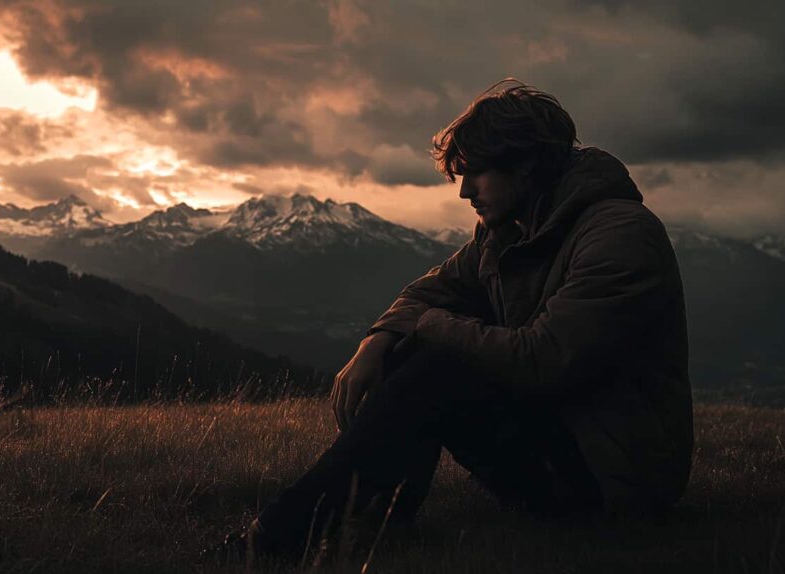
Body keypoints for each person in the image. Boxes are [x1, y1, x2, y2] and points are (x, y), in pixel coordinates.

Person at [204, 78, 694, 565]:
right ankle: (377, 517)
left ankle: (271, 539)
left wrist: (428, 324)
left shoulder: (619, 236)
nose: (464, 193)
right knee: (411, 346)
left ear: (524, 164)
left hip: (616, 478)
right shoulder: (509, 231)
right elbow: (429, 291)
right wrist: (378, 339)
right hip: (560, 440)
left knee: (439, 361)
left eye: (475, 173)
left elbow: (543, 359)